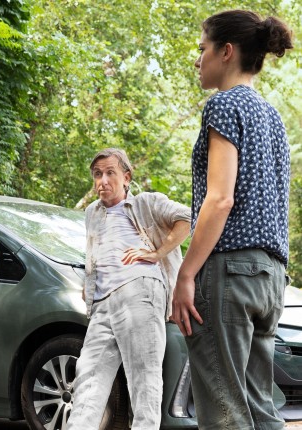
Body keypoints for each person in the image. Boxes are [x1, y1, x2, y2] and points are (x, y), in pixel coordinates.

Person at [172, 10, 294, 430]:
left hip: (230, 273)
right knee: (260, 410)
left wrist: (186, 273)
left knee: (224, 414)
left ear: (226, 52)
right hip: (270, 278)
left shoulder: (223, 105)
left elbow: (220, 199)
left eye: (202, 48)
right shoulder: (273, 118)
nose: (197, 59)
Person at [68, 148, 190, 429]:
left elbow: (186, 218)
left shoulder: (146, 203)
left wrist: (157, 253)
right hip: (102, 303)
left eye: (110, 173)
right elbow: (95, 253)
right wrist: (90, 284)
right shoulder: (92, 212)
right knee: (88, 379)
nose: (102, 181)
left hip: (139, 292)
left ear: (126, 177)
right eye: (97, 174)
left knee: (144, 378)